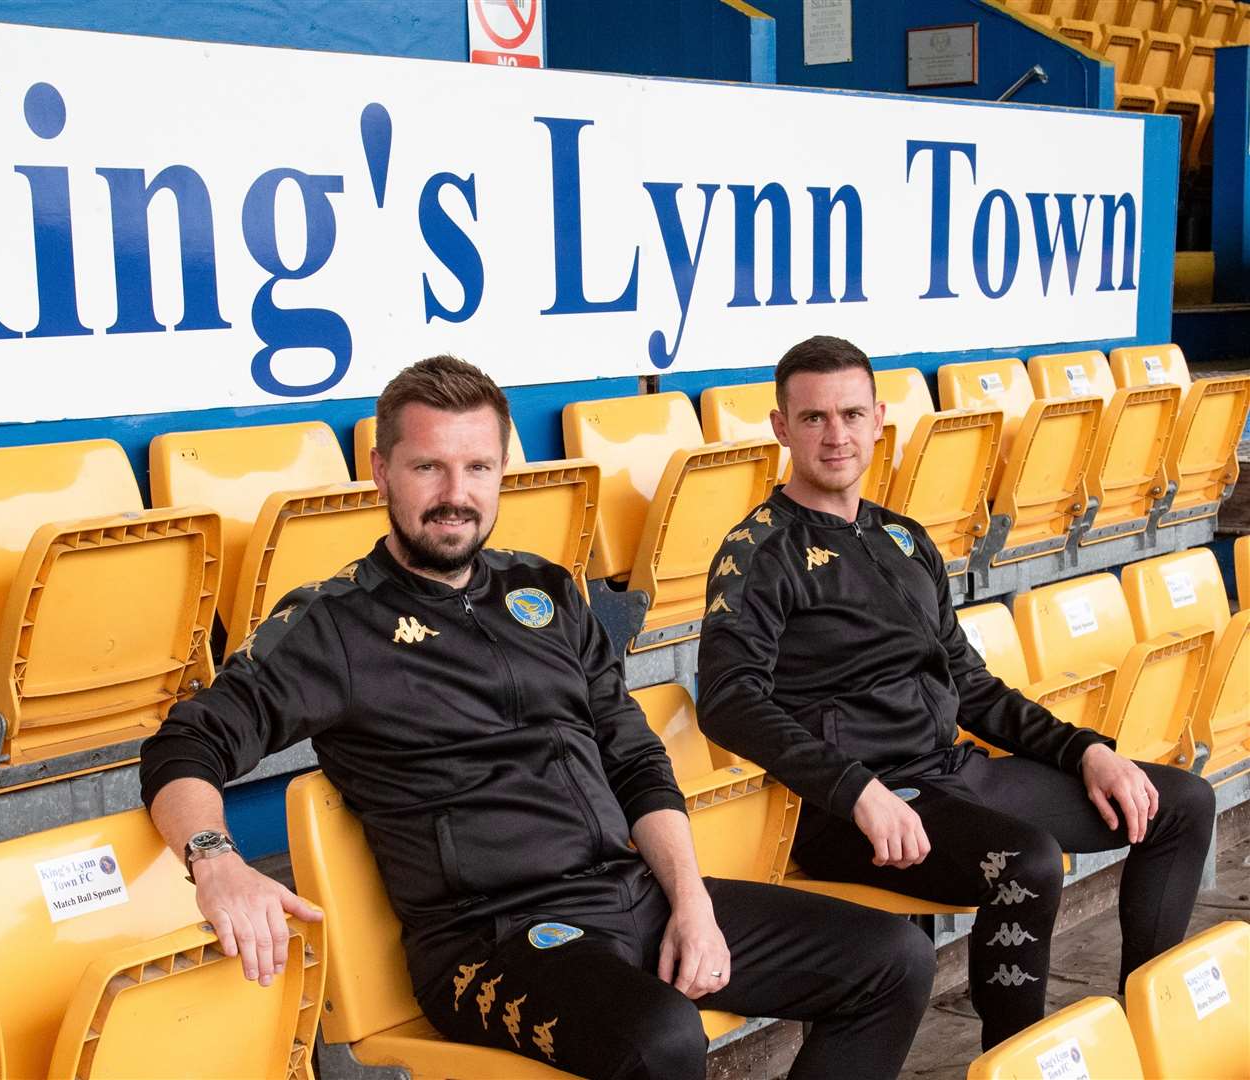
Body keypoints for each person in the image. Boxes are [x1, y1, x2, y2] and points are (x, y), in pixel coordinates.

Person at [140, 355, 934, 1080]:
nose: (456, 493)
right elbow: (184, 743)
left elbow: (633, 757)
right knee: (659, 1038)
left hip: (630, 892)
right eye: (428, 467)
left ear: (501, 472)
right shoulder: (335, 627)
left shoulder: (547, 592)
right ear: (381, 472)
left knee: (890, 958)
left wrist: (692, 902)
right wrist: (216, 861)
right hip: (491, 942)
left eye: (477, 466)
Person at [697, 335, 1217, 1051]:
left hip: (950, 777)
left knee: (1180, 804)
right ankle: (1014, 1060)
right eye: (813, 418)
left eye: (851, 414)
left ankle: (1144, 1033)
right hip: (849, 808)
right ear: (782, 428)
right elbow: (727, 700)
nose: (836, 434)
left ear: (879, 418)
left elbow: (970, 685)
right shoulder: (757, 551)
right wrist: (855, 790)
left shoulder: (902, 540)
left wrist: (1087, 753)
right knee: (1026, 862)